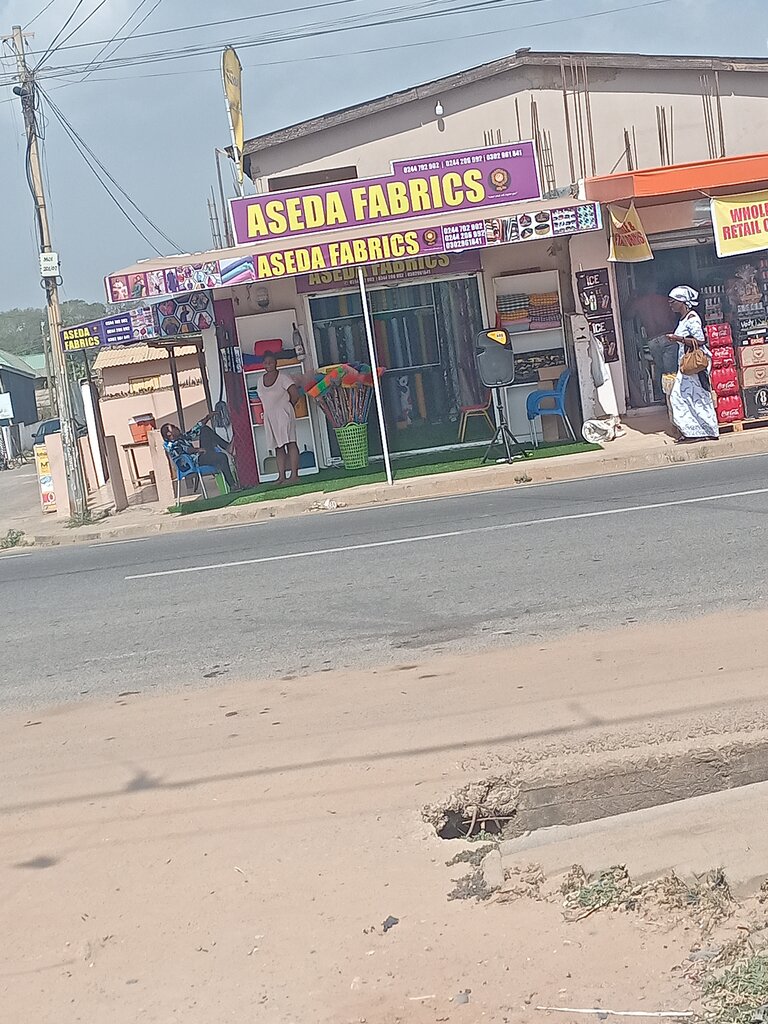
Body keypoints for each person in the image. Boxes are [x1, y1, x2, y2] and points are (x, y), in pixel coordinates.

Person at [665, 286, 719, 444]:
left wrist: (677, 338)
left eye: (673, 301)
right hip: (686, 364)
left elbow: (701, 341)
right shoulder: (683, 319)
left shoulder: (692, 318)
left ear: (682, 302)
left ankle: (706, 430)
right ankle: (693, 431)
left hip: (694, 365)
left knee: (694, 397)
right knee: (683, 397)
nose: (670, 304)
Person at [626, 272, 678, 399]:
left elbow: (627, 316)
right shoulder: (664, 300)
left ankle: (662, 395)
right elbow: (673, 319)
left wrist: (631, 298)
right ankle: (673, 397)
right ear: (655, 286)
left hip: (652, 339)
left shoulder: (639, 303)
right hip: (668, 336)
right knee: (671, 370)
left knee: (660, 369)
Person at [161, 414, 239, 491]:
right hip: (195, 462)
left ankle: (227, 447)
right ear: (169, 434)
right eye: (173, 427)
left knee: (204, 429)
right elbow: (185, 450)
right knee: (221, 457)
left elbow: (195, 430)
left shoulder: (181, 437)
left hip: (201, 456)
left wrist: (207, 418)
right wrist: (197, 450)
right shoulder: (171, 445)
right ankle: (232, 485)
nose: (176, 427)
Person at [259, 352, 302, 484]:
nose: (268, 365)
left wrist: (288, 408)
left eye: (271, 362)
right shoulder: (260, 379)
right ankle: (281, 476)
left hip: (284, 413)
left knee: (290, 442)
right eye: (266, 363)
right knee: (278, 446)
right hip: (270, 416)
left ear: (276, 363)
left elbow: (295, 394)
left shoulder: (283, 377)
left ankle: (294, 475)